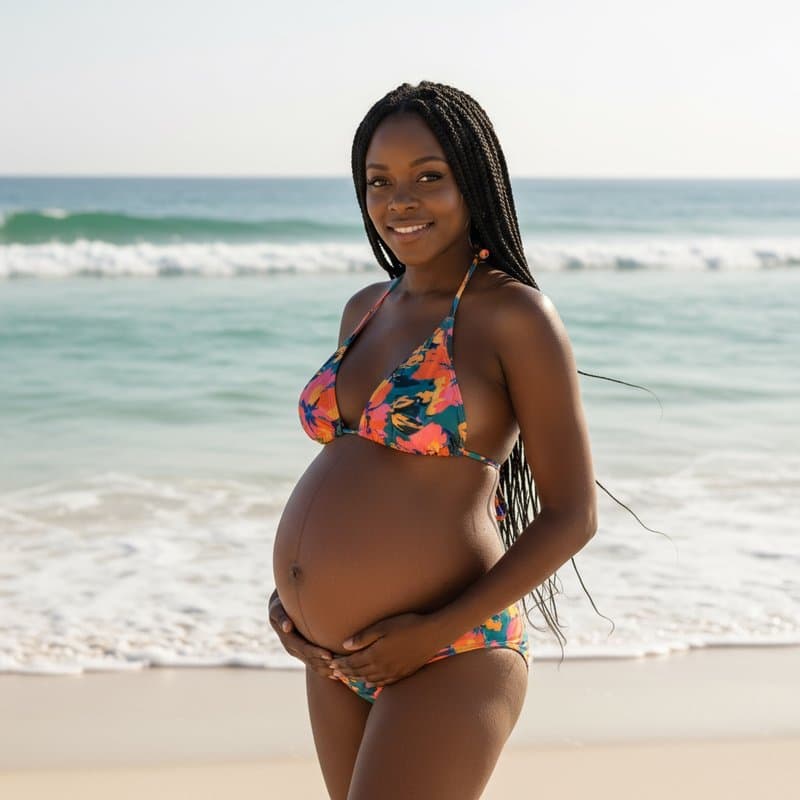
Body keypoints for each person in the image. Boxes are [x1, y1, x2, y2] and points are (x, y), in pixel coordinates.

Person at [268, 81, 598, 800]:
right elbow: (351, 475)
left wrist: (431, 632)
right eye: (378, 182)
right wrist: (289, 601)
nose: (399, 201)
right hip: (334, 658)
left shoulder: (513, 315)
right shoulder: (366, 308)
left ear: (473, 182)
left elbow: (573, 515)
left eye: (428, 177)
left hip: (452, 650)